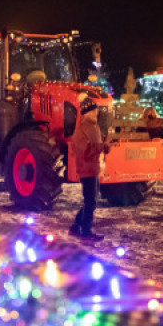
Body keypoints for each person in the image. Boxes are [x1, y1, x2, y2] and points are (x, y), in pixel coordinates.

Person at [69, 98, 110, 241]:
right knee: (91, 201)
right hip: (87, 170)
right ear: (86, 113)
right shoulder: (82, 129)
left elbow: (96, 143)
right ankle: (85, 231)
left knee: (91, 200)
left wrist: (104, 143)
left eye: (96, 110)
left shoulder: (94, 127)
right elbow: (83, 151)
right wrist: (101, 147)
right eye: (93, 111)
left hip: (93, 169)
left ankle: (76, 226)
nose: (96, 113)